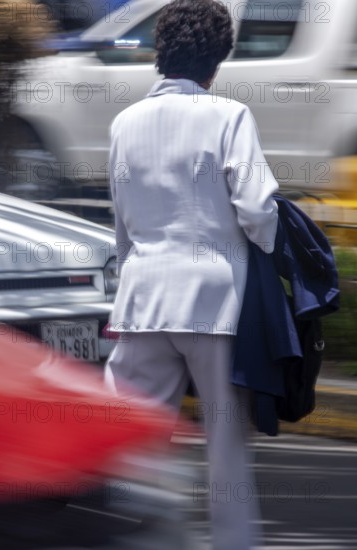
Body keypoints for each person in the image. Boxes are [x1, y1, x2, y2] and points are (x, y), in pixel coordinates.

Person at [105, 0, 279, 548]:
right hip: (216, 306)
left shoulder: (123, 123)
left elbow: (123, 224)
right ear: (218, 60)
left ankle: (140, 537)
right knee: (226, 446)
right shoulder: (230, 116)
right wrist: (273, 250)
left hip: (142, 300)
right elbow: (257, 209)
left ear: (161, 54)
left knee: (132, 443)